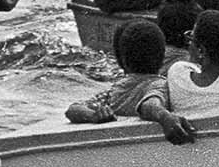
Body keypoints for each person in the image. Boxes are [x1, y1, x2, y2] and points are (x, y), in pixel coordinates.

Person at [65, 19, 196, 144]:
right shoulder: (159, 85)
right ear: (163, 57)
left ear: (121, 62)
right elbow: (149, 104)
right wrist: (164, 117)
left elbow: (72, 109)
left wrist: (94, 115)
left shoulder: (114, 91)